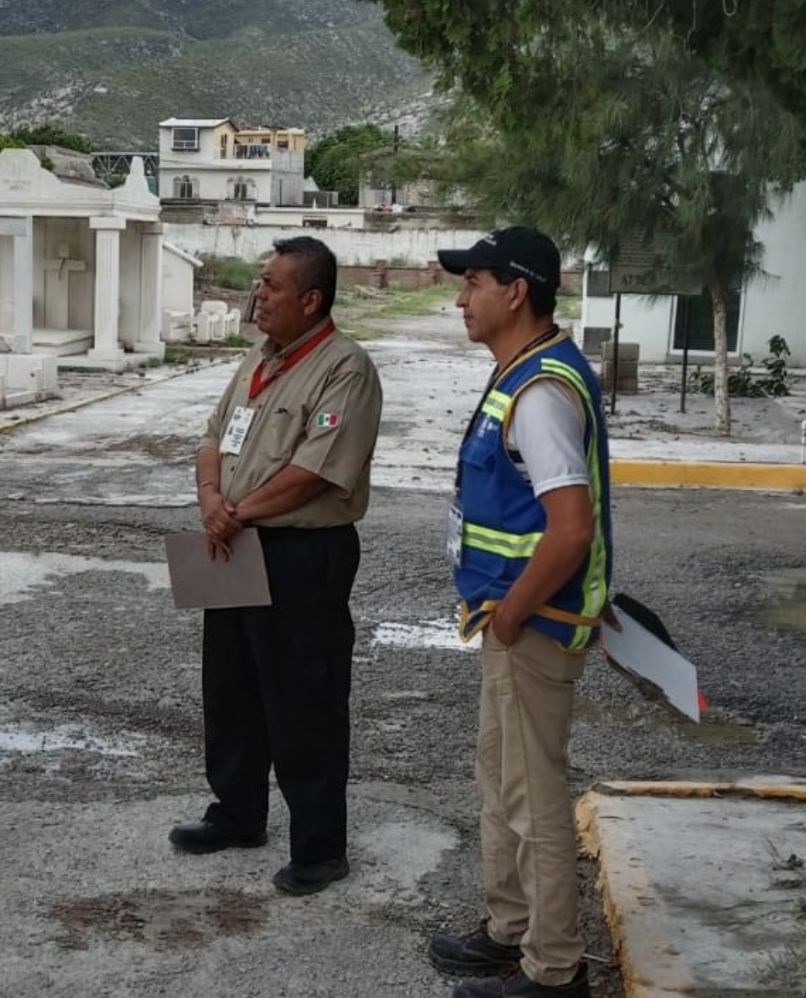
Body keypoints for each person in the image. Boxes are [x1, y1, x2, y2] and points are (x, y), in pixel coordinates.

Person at [424, 227, 612, 998]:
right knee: (501, 782)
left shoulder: (539, 393)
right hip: (510, 619)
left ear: (517, 291)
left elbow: (570, 530)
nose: (461, 297)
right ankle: (509, 929)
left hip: (533, 624)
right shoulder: (522, 372)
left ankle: (554, 969)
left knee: (534, 796)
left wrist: (510, 618)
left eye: (473, 282)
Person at [171, 235, 383, 896]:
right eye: (259, 282)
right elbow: (212, 437)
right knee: (231, 691)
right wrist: (212, 501)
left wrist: (238, 511)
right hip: (233, 542)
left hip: (300, 553)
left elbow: (314, 474)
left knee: (304, 701)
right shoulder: (256, 364)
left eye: (272, 285)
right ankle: (237, 814)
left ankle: (319, 846)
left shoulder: (343, 369)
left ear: (312, 299)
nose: (256, 295)